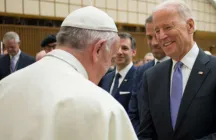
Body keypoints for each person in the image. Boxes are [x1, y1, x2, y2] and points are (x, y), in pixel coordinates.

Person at [0, 6, 137, 140]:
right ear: (98, 49)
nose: (108, 67)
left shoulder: (5, 86)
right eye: (110, 58)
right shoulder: (104, 108)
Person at [138, 1, 216, 140]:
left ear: (190, 26)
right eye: (157, 31)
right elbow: (146, 133)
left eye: (168, 27)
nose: (161, 36)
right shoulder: (151, 76)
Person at [128, 15, 168, 133]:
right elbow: (133, 113)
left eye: (158, 36)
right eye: (150, 37)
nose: (154, 43)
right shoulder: (141, 71)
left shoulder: (179, 69)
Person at [99, 32, 137, 112]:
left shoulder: (139, 77)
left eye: (124, 48)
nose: (119, 52)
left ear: (133, 52)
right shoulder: (106, 78)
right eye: (116, 48)